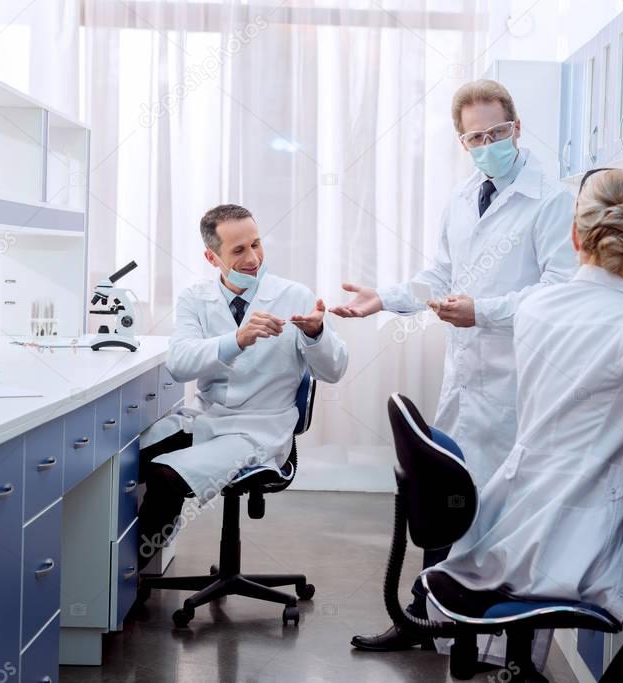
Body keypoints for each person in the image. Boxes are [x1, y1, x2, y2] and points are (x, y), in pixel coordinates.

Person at [427, 168, 623, 681]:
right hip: (572, 541)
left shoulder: (536, 305)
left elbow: (583, 376)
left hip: (512, 525)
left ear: (575, 236)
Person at [335, 80, 577, 652]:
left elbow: (560, 292)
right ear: (462, 141)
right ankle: (423, 619)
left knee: (501, 517)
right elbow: (439, 277)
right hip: (467, 377)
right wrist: (385, 298)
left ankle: (502, 646)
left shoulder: (554, 199)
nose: (487, 143)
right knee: (448, 499)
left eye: (497, 132)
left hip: (519, 384)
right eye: (475, 137)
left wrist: (484, 313)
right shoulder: (465, 197)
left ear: (517, 129)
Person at [136, 203, 348, 570]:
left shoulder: (294, 295)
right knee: (125, 461)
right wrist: (236, 340)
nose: (253, 258)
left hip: (259, 429)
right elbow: (180, 363)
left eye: (256, 244)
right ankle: (115, 576)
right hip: (208, 418)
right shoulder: (195, 298)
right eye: (238, 250)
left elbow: (335, 370)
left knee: (165, 476)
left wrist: (316, 334)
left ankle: (130, 571)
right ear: (211, 256)